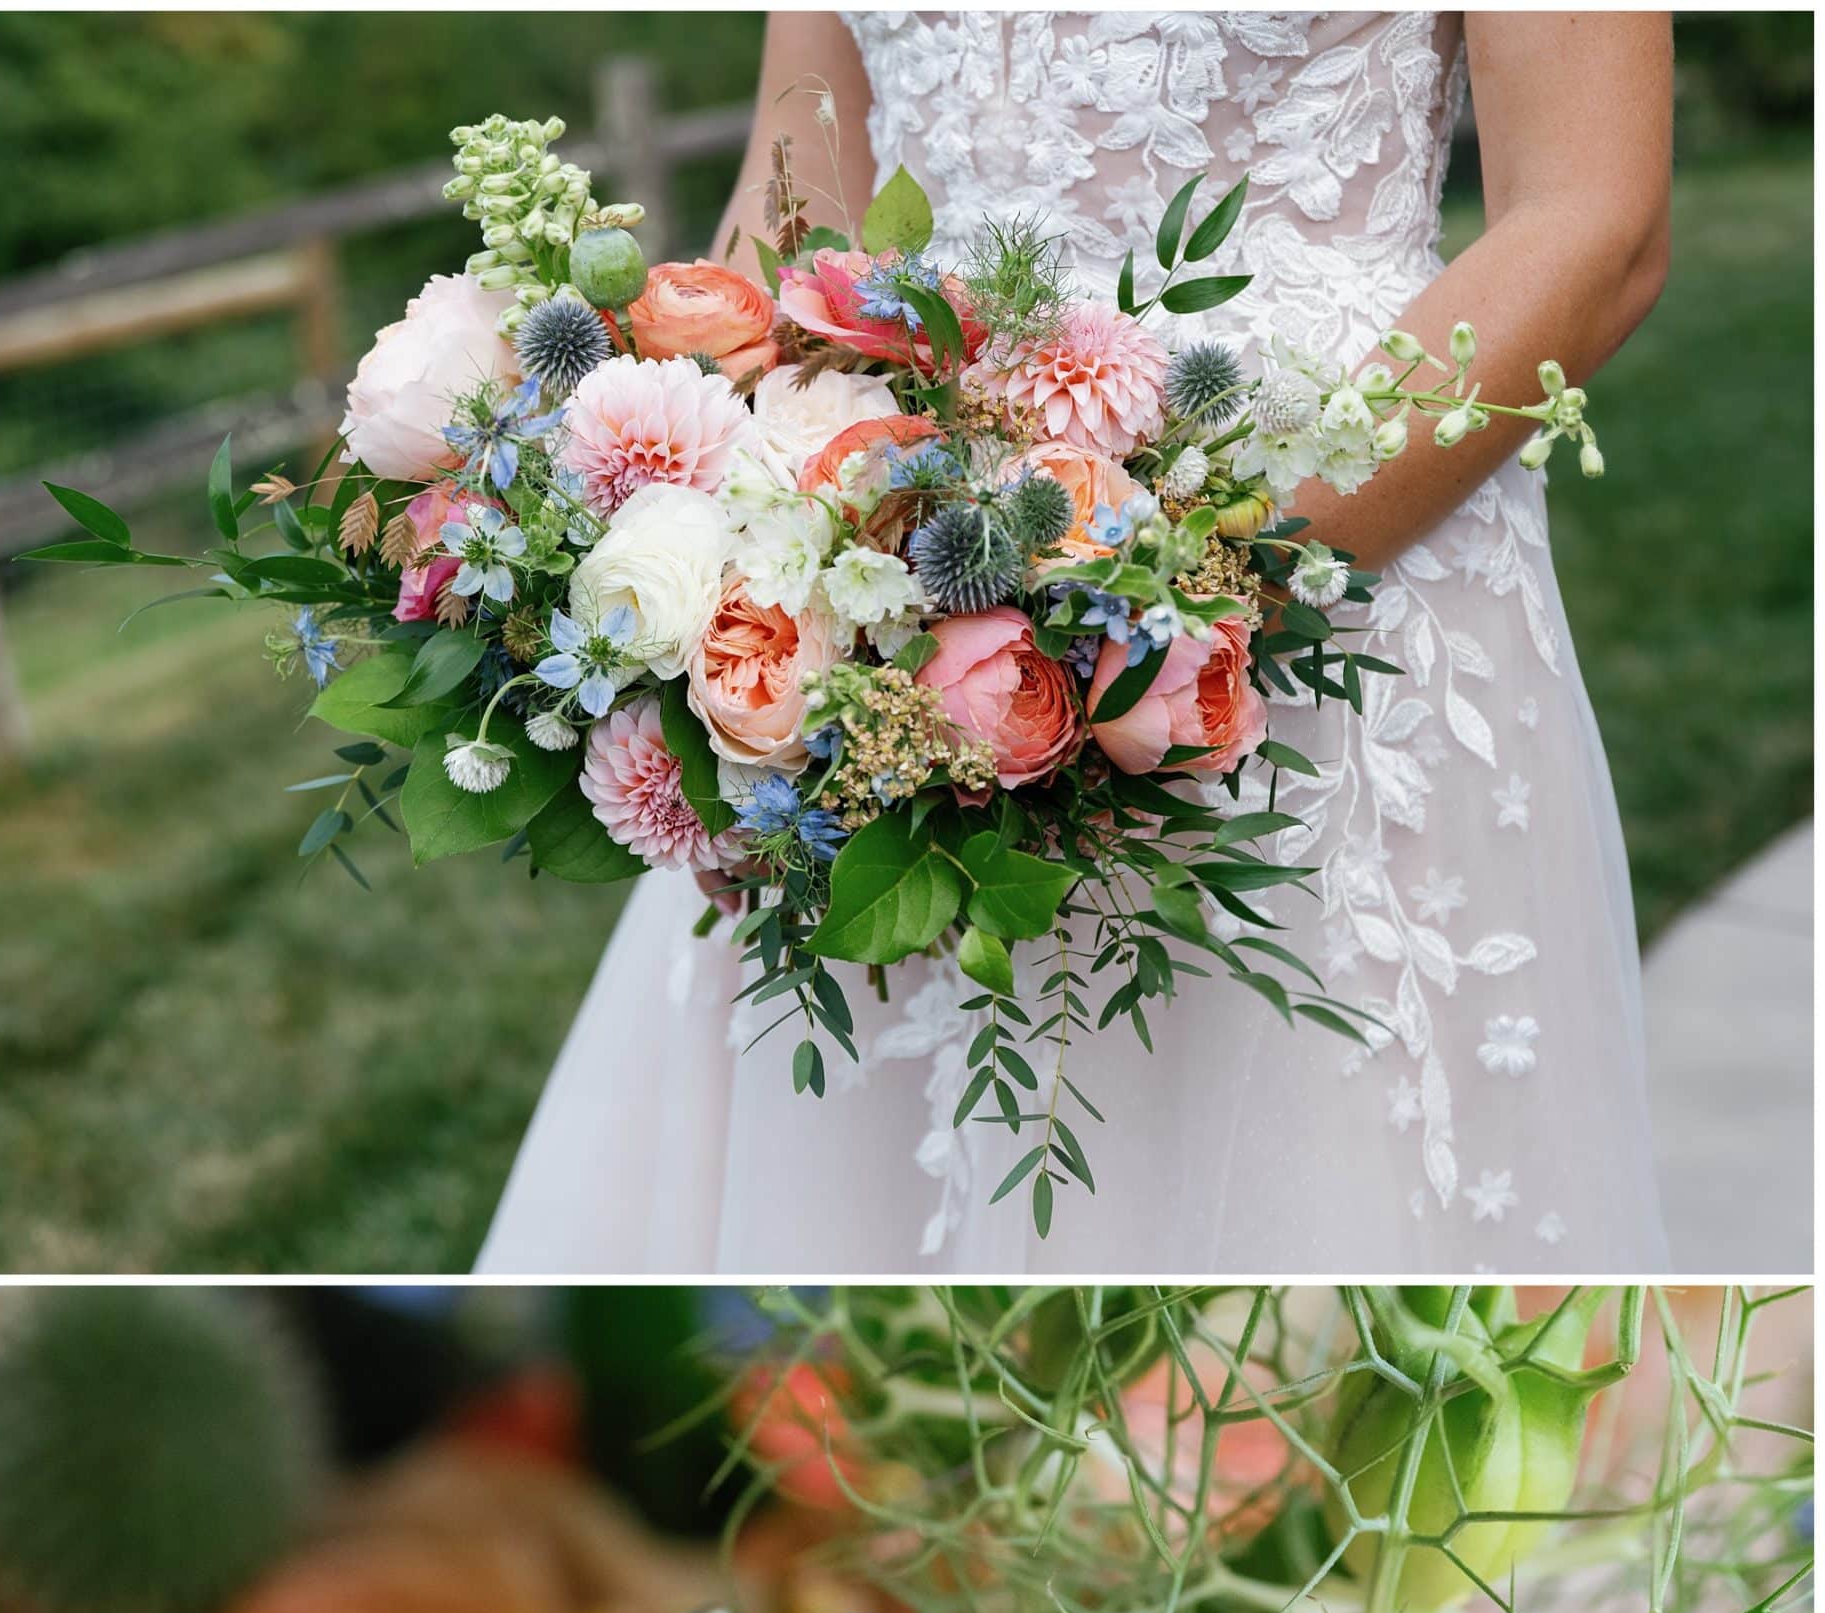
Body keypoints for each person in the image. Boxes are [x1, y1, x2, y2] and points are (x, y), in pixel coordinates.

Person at [480, 9, 1674, 1274]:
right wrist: (707, 564)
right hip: (883, 558)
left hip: (1328, 556)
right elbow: (800, 194)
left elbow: (1595, 221)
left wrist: (1186, 596)